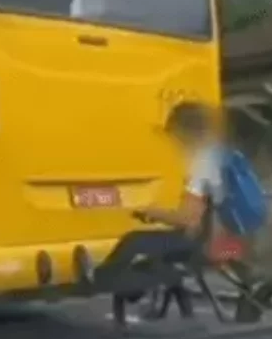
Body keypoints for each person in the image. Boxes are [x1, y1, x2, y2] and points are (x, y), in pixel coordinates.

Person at [92, 101, 238, 287]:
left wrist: (153, 213)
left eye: (176, 136)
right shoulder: (218, 158)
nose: (175, 142)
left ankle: (103, 279)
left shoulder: (201, 167)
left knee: (133, 242)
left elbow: (187, 219)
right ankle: (170, 285)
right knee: (152, 245)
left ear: (187, 132)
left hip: (203, 244)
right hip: (224, 239)